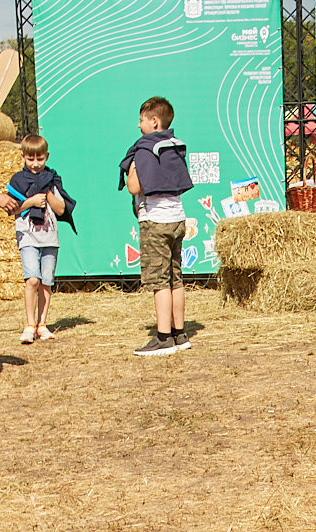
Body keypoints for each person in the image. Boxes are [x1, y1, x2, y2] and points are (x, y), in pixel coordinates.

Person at [121, 95, 194, 356]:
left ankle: (163, 338)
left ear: (153, 121)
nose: (138, 125)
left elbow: (134, 187)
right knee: (176, 278)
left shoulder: (144, 148)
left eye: (141, 120)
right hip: (177, 218)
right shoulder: (173, 146)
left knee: (160, 281)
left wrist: (131, 165)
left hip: (155, 221)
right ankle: (180, 333)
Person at [0, 133, 74, 343]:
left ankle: (42, 325)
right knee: (32, 280)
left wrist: (47, 195)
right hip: (27, 236)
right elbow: (11, 209)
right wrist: (29, 202)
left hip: (49, 237)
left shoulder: (53, 179)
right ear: (23, 157)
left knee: (46, 283)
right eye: (31, 159)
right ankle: (29, 325)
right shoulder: (17, 181)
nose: (36, 164)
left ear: (47, 156)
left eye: (40, 159)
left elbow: (62, 208)